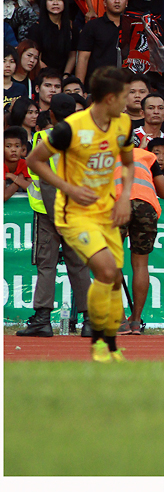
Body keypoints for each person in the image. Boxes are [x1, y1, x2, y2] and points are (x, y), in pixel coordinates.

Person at [25, 68, 134, 362]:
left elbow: (127, 163)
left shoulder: (123, 124)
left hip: (105, 211)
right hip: (72, 213)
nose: (129, 101)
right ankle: (100, 340)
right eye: (125, 96)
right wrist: (68, 187)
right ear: (109, 98)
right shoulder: (71, 129)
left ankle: (103, 336)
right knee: (106, 270)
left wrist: (124, 197)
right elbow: (34, 161)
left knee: (112, 276)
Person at [14, 95, 93, 337]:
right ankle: (91, 321)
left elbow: (46, 183)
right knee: (79, 265)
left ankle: (42, 319)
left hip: (49, 213)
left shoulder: (43, 138)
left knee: (46, 265)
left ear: (51, 114)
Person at [113, 143, 164, 335]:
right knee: (140, 265)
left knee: (111, 263)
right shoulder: (147, 157)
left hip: (117, 205)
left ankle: (120, 321)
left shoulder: (105, 155)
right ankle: (136, 321)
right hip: (146, 207)